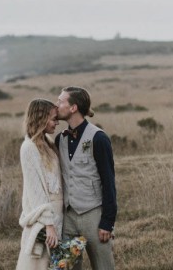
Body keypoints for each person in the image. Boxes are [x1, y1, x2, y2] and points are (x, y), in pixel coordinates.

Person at [55, 86, 117, 270]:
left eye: (60, 101)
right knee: (66, 267)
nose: (56, 105)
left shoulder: (99, 138)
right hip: (68, 219)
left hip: (94, 217)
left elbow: (109, 182)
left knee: (104, 267)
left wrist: (107, 221)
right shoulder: (60, 140)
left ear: (73, 108)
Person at [16, 99, 63, 270]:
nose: (57, 123)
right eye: (53, 119)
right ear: (41, 119)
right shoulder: (29, 148)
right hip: (44, 217)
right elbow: (35, 190)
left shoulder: (48, 143)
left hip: (58, 214)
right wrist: (49, 225)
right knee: (38, 263)